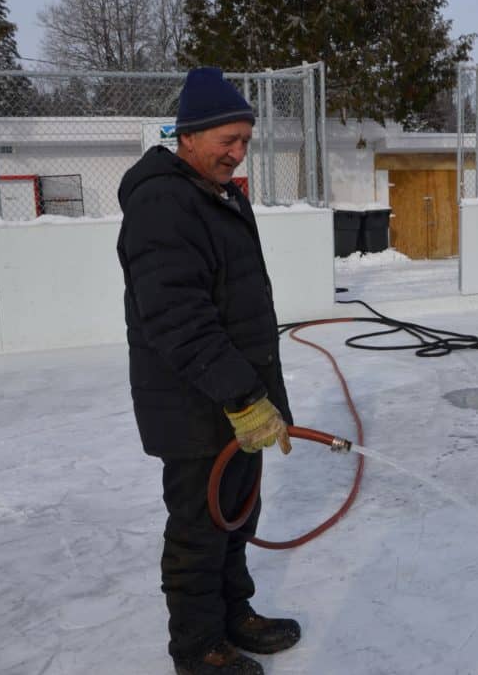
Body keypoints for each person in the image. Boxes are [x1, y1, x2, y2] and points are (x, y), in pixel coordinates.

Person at [117, 67, 299, 675]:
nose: (237, 152)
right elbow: (177, 318)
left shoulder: (220, 195)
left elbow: (242, 305)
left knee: (238, 514)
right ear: (188, 135)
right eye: (227, 139)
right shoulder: (163, 202)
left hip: (237, 399)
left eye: (245, 140)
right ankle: (198, 649)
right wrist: (245, 395)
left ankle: (232, 615)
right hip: (197, 404)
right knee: (199, 527)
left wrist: (262, 398)